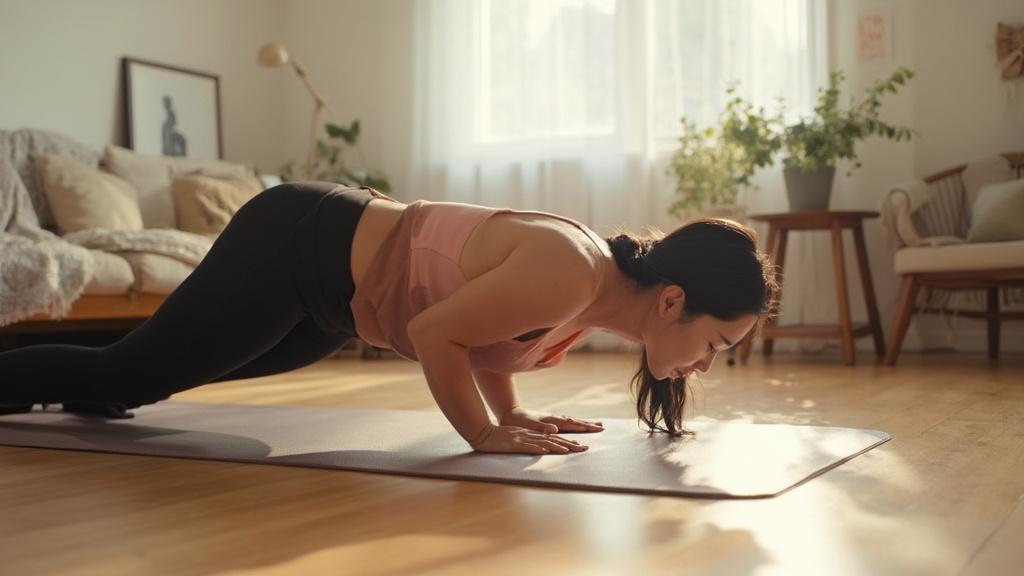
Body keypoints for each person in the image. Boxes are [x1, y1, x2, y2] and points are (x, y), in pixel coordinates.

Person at [0, 182, 777, 455]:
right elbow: (439, 332)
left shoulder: (592, 296)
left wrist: (512, 413)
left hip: (333, 306)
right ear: (672, 300)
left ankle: (91, 381)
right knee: (129, 373)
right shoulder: (573, 273)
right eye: (717, 343)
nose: (708, 363)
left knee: (144, 377)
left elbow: (481, 335)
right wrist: (482, 434)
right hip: (301, 245)